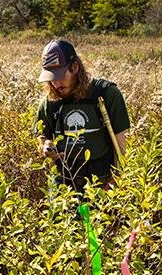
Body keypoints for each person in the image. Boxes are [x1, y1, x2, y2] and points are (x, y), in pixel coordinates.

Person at [34, 39, 131, 193]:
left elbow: (123, 146)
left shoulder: (106, 94)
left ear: (75, 67)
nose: (56, 83)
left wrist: (116, 181)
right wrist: (46, 146)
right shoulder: (51, 101)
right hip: (64, 186)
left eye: (60, 75)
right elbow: (42, 134)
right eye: (51, 77)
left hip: (103, 183)